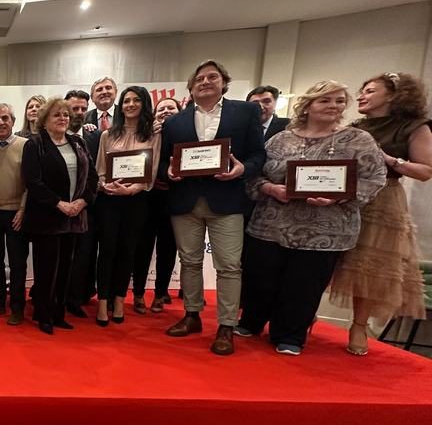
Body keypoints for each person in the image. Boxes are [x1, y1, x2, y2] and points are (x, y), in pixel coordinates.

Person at [236, 80, 386, 355]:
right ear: (308, 105)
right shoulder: (280, 139)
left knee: (304, 285)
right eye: (325, 100)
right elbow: (254, 175)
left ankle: (290, 336)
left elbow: (376, 178)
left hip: (325, 231)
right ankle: (251, 321)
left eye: (340, 101)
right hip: (270, 225)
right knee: (260, 278)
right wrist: (270, 188)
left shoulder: (357, 140)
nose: (334, 106)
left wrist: (338, 197)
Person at [158, 60, 266, 355]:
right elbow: (163, 163)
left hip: (227, 200)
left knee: (229, 266)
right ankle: (192, 315)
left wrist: (242, 169)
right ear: (191, 87)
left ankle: (226, 326)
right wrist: (169, 174)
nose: (205, 82)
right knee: (189, 261)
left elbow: (259, 154)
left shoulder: (245, 113)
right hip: (185, 201)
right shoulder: (174, 122)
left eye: (212, 77)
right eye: (200, 78)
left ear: (223, 82)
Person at [329, 72, 432, 355]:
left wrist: (389, 160)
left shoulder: (413, 127)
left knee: (369, 263)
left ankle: (359, 325)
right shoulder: (356, 126)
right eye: (361, 91)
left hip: (383, 197)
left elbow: (425, 171)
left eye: (370, 91)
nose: (361, 96)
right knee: (330, 256)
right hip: (345, 195)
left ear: (394, 96)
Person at [21, 97, 95, 335]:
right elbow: (33, 182)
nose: (63, 118)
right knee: (46, 269)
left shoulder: (79, 143)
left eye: (65, 114)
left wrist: (82, 202)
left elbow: (92, 177)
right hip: (47, 218)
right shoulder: (35, 145)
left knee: (66, 267)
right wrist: (60, 204)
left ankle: (59, 313)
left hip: (75, 216)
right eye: (57, 115)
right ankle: (43, 314)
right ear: (44, 121)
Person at [94, 86, 160, 326]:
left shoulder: (153, 134)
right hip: (109, 201)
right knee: (107, 251)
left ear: (144, 104)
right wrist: (106, 186)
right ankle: (103, 301)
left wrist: (131, 189)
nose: (130, 104)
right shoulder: (108, 135)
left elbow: (150, 174)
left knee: (127, 250)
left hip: (136, 201)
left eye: (135, 100)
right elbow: (100, 170)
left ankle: (120, 299)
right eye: (126, 101)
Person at [131, 97, 181, 313]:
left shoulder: (183, 134)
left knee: (167, 249)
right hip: (147, 199)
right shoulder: (146, 134)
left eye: (171, 108)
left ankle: (161, 293)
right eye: (162, 108)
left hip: (173, 199)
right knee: (142, 248)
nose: (166, 111)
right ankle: (139, 293)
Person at [0, 103, 29, 325]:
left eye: (4, 118)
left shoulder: (26, 146)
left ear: (13, 121)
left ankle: (18, 307)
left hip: (16, 214)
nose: (0, 123)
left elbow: (32, 183)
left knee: (18, 263)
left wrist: (22, 208)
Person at [62, 89, 101, 318]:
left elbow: (96, 173)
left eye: (83, 109)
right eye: (73, 108)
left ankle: (75, 299)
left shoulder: (95, 136)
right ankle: (56, 296)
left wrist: (83, 200)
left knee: (83, 255)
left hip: (86, 208)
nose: (78, 113)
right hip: (58, 207)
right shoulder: (53, 135)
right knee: (60, 256)